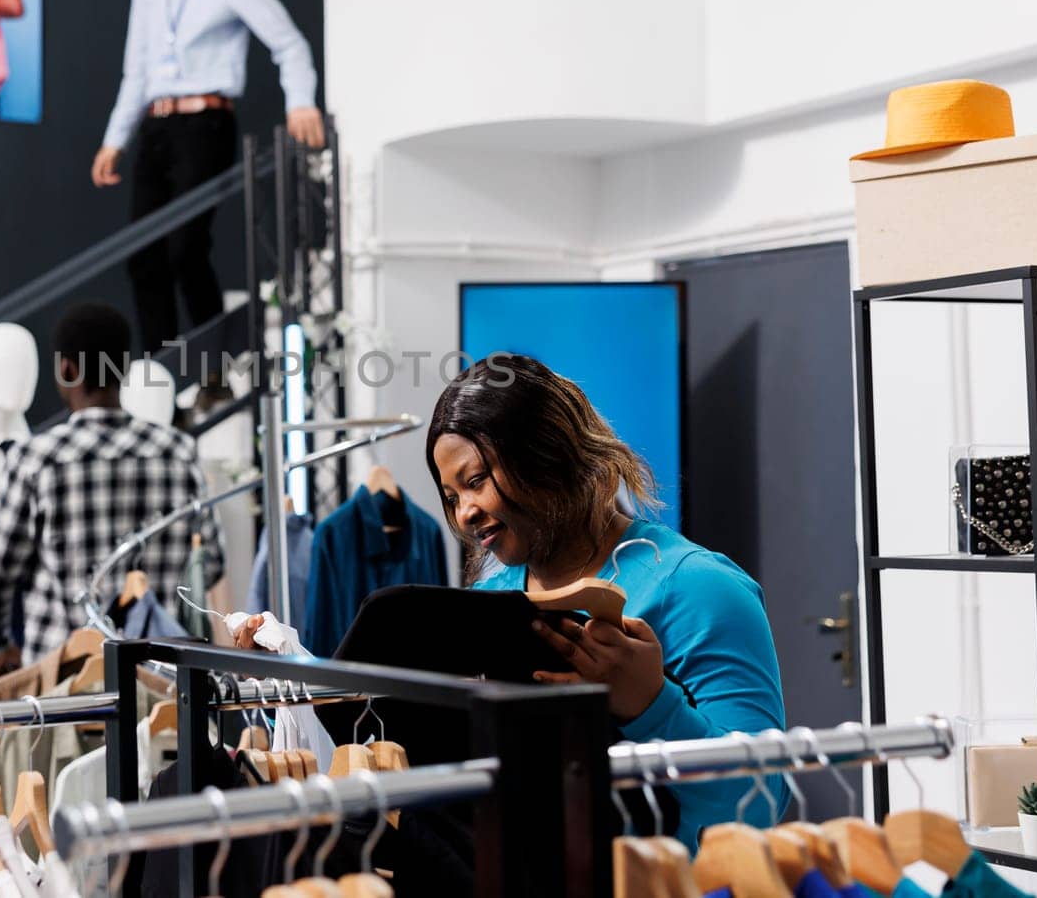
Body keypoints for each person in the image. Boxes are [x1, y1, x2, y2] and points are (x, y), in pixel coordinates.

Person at [236, 353, 788, 849]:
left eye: (476, 481)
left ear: (549, 456)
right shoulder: (490, 601)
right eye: (451, 497)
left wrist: (652, 707)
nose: (464, 514)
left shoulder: (698, 588)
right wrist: (297, 674)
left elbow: (761, 803)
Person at [91, 0, 324, 376]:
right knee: (142, 258)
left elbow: (288, 44)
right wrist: (115, 140)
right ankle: (158, 382)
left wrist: (300, 102)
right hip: (155, 127)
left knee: (185, 250)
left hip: (206, 124)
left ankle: (214, 371)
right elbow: (136, 70)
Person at [0, 303, 226, 679]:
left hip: (65, 683)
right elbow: (212, 561)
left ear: (66, 369)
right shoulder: (178, 452)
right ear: (124, 367)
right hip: (157, 679)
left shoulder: (37, 459)